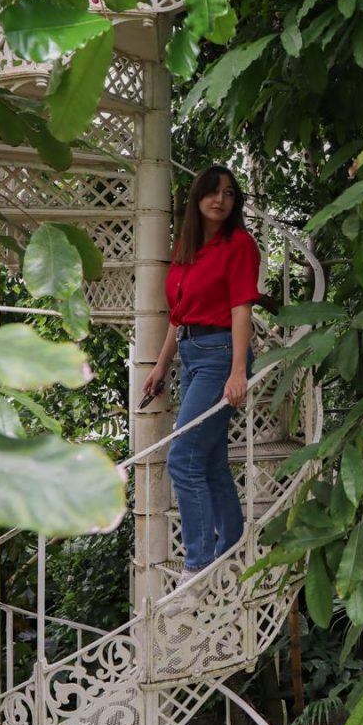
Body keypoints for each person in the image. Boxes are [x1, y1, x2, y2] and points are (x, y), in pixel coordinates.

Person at [144, 165, 260, 602]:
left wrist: (237, 370)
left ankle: (195, 568)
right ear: (195, 199)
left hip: (218, 356)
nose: (220, 199)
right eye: (212, 191)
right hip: (193, 356)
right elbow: (178, 316)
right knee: (209, 463)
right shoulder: (186, 247)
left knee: (182, 458)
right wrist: (160, 366)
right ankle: (231, 548)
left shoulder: (239, 245)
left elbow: (240, 309)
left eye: (229, 193)